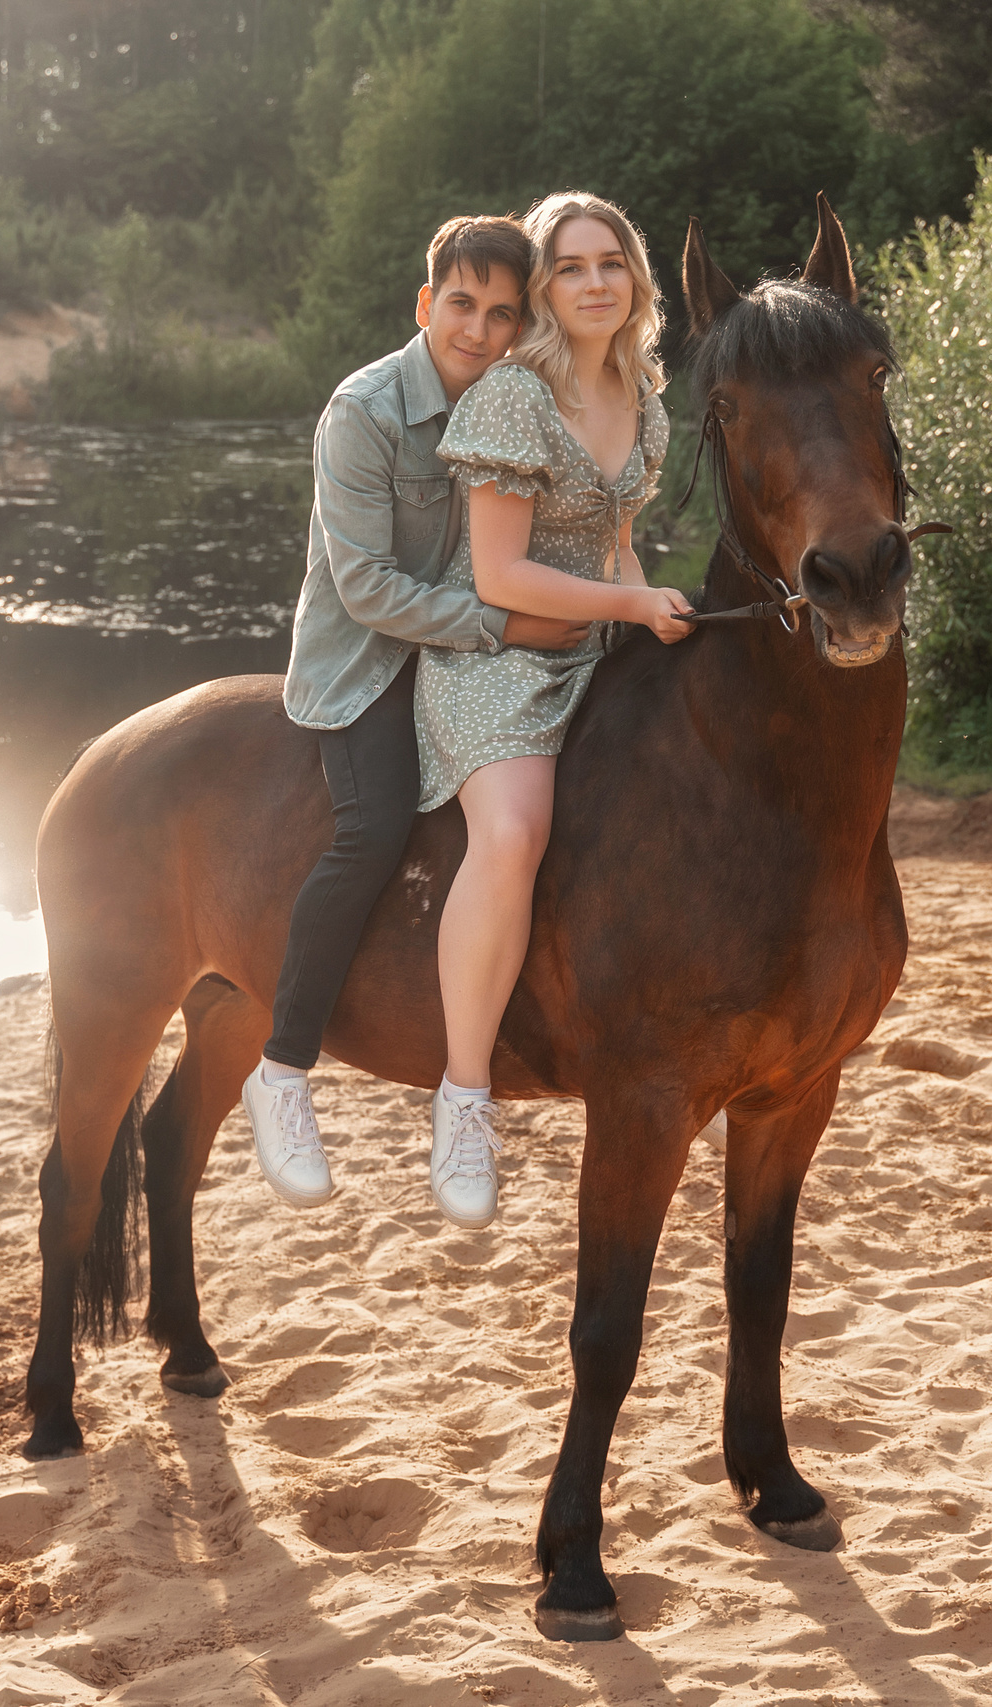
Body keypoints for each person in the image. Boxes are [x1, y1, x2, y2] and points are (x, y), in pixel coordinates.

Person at [246, 215, 593, 1213]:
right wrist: (507, 625)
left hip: (467, 654)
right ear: (423, 304)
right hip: (366, 662)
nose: (478, 332)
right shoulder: (360, 412)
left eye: (501, 315)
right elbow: (366, 588)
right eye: (461, 306)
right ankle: (280, 1068)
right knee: (376, 824)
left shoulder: (511, 402)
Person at [412, 192, 695, 1229]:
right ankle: (464, 1096)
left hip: (596, 642)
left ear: (636, 280)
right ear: (542, 288)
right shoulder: (512, 399)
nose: (592, 283)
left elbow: (616, 541)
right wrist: (625, 600)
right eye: (569, 267)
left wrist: (648, 620)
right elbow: (498, 574)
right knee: (519, 828)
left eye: (609, 263)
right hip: (500, 656)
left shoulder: (646, 401)